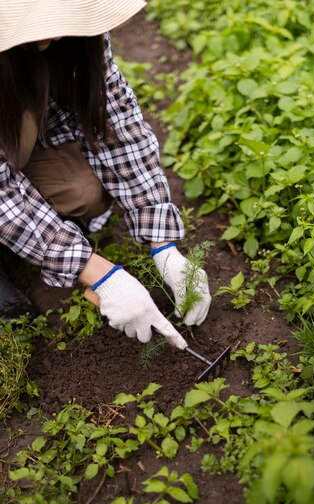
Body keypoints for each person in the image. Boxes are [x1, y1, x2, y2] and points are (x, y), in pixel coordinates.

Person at [0, 0, 211, 349]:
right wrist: (96, 271)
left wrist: (163, 244)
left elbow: (116, 122)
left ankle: (38, 237)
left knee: (84, 190)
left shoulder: (75, 36)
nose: (55, 30)